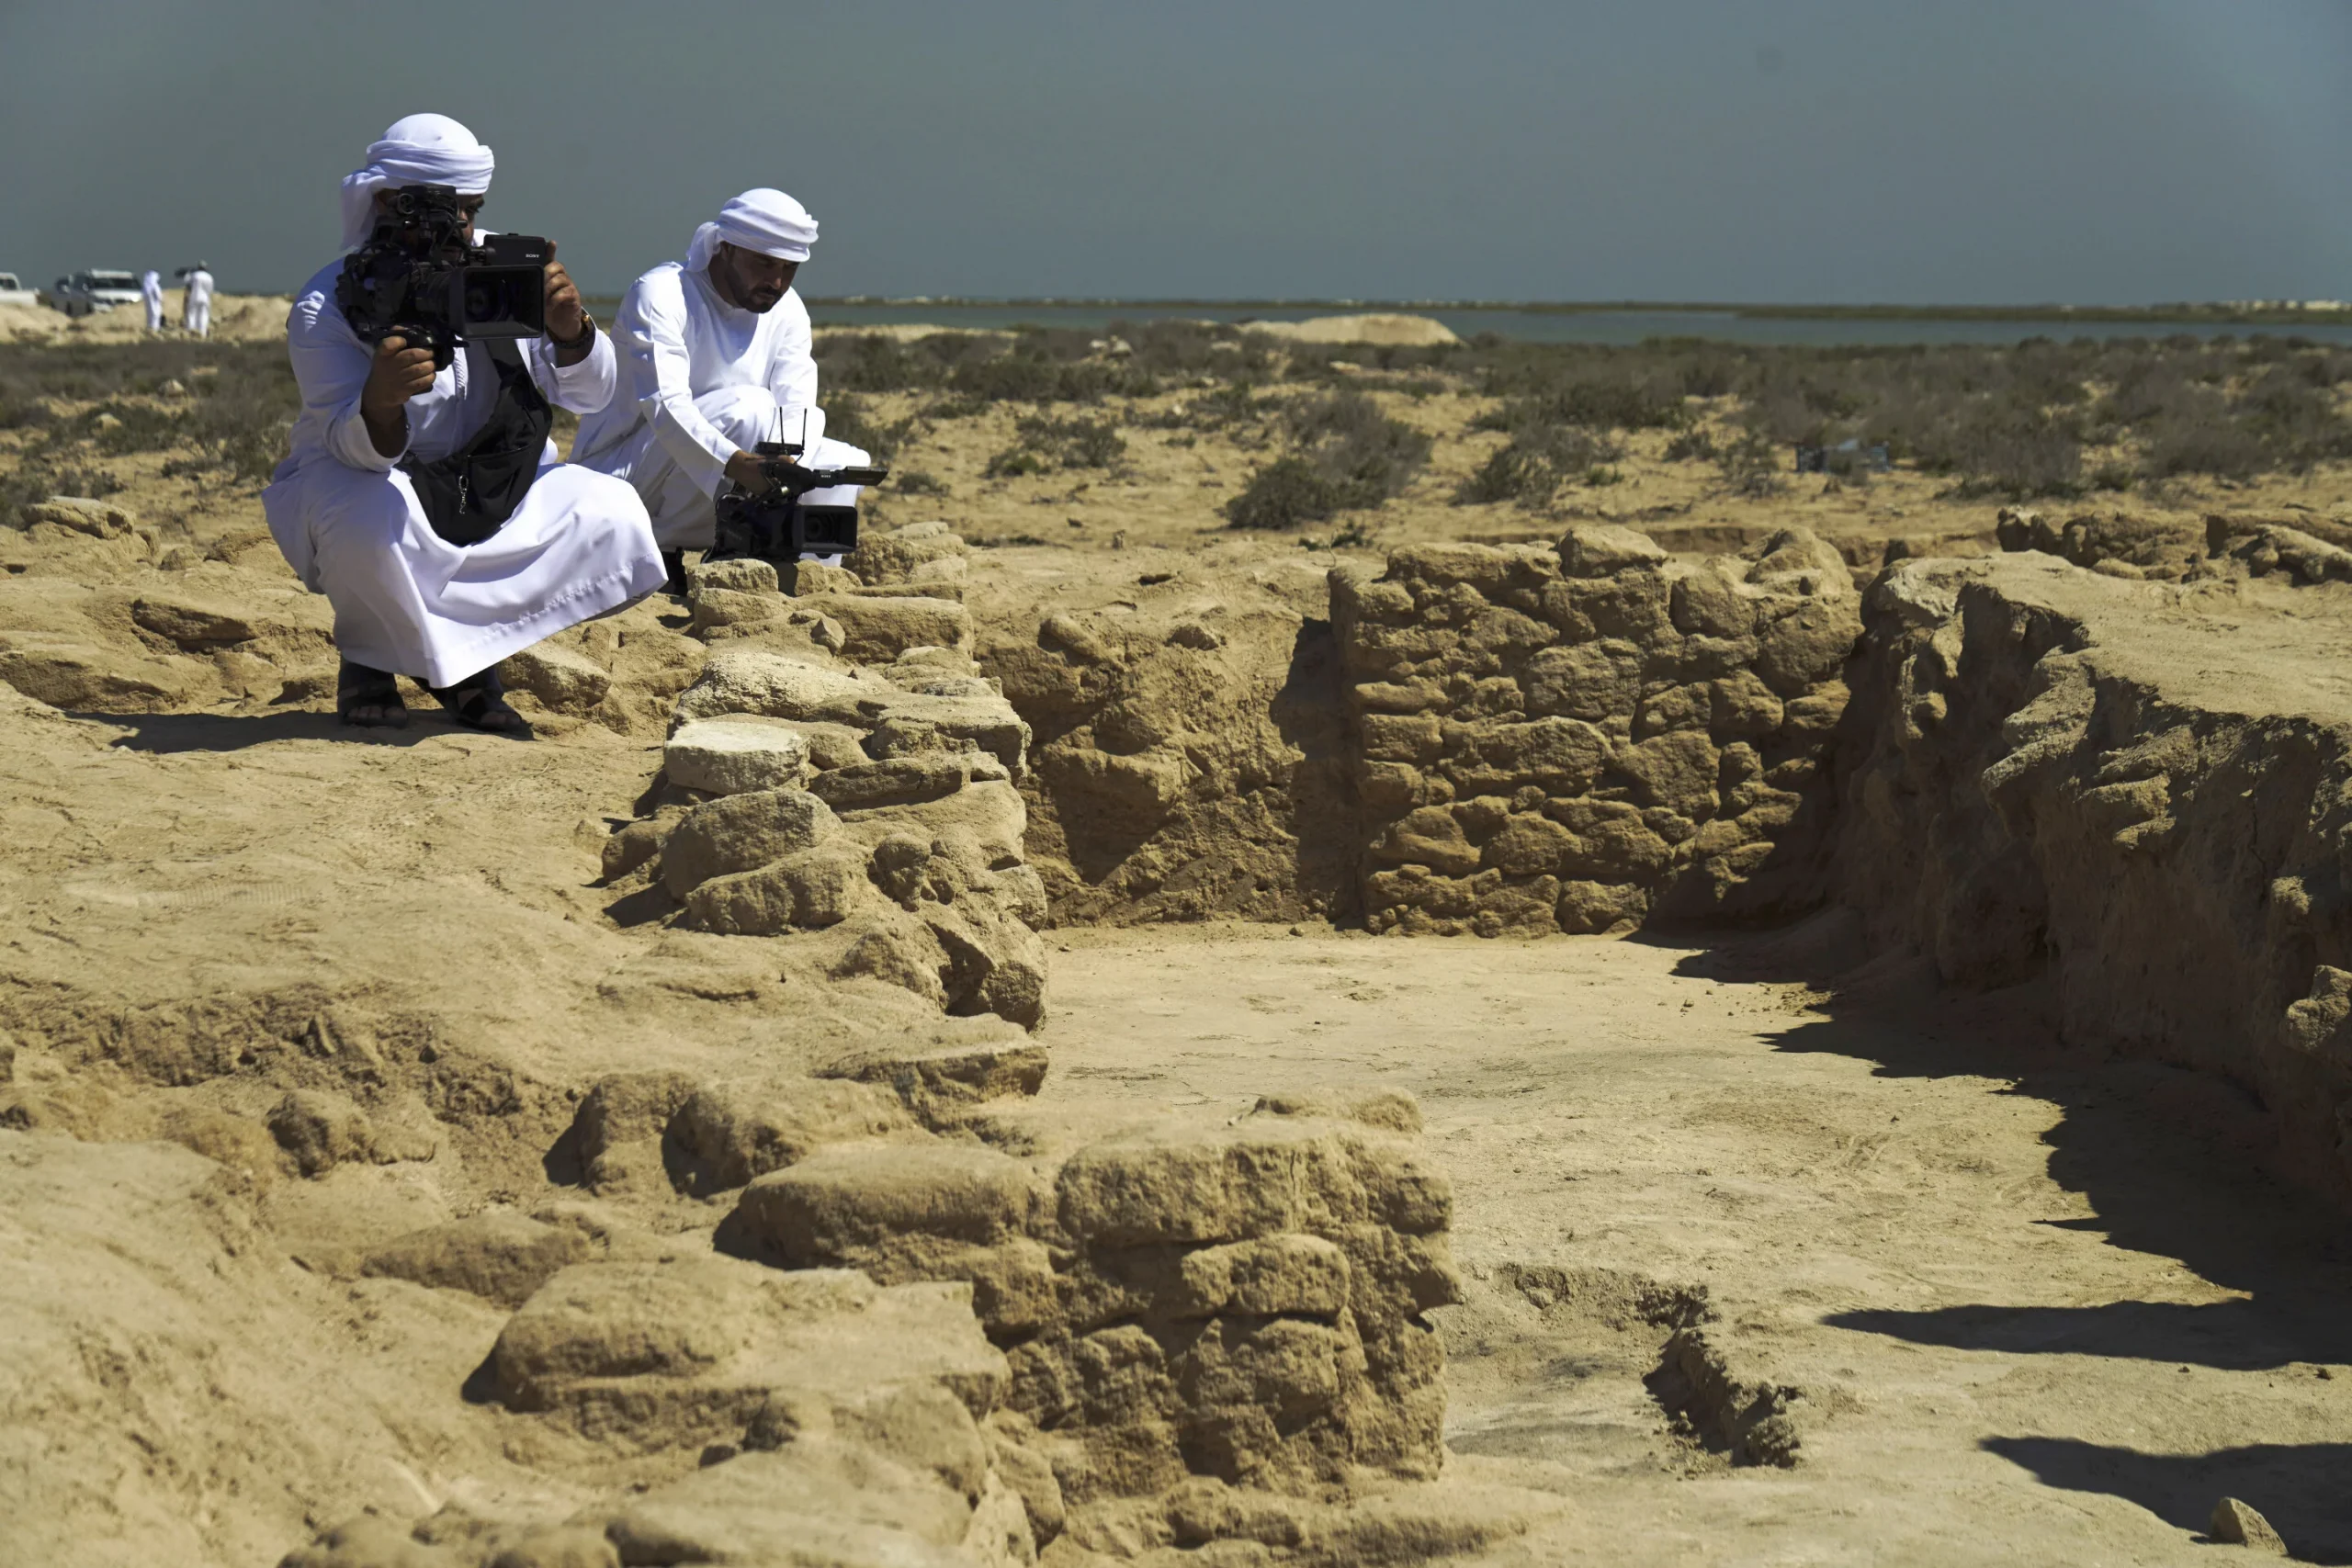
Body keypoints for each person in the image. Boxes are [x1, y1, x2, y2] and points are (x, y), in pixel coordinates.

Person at [262, 113, 665, 734]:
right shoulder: (330, 303)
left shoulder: (503, 270)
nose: (463, 232)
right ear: (389, 202)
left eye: (471, 212)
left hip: (494, 482)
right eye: (446, 215)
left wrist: (572, 332)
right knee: (368, 517)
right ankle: (371, 657)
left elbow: (592, 397)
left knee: (613, 512)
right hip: (372, 482)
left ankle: (463, 663)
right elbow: (351, 447)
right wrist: (381, 401)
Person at [571, 187, 868, 592]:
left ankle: (801, 580)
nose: (776, 281)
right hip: (616, 478)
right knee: (749, 408)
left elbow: (797, 401)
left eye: (789, 267)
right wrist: (739, 464)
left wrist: (783, 467)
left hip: (723, 466)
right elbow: (666, 405)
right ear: (725, 249)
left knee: (840, 460)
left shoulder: (788, 308)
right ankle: (661, 550)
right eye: (764, 262)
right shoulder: (663, 293)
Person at [181, 263, 213, 338]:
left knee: (192, 314)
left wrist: (187, 274)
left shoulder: (194, 275)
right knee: (203, 315)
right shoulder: (209, 277)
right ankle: (202, 333)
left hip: (194, 296)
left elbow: (187, 282)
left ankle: (190, 332)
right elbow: (210, 290)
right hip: (205, 298)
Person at [140, 269, 164, 333]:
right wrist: (161, 301)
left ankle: (150, 328)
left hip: (149, 306)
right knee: (155, 316)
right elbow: (159, 296)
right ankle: (155, 329)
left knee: (150, 317)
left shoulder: (145, 287)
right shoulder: (155, 286)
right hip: (156, 305)